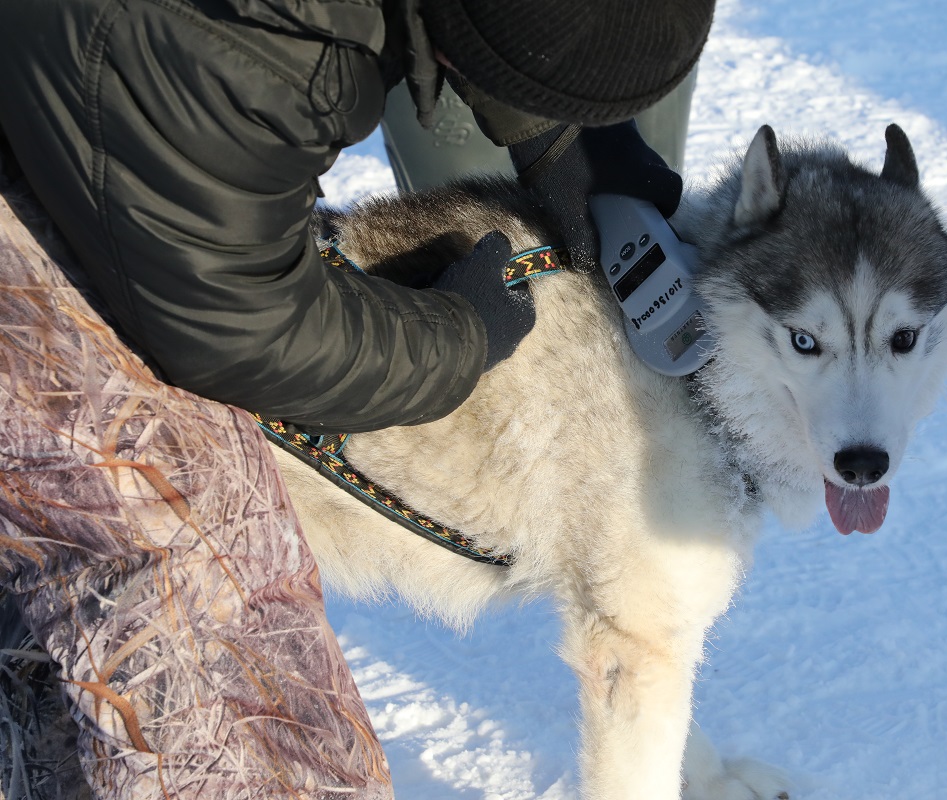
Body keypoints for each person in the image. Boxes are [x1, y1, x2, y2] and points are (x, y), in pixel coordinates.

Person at [0, 0, 715, 797]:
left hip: (90, 115)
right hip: (51, 196)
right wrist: (457, 336)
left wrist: (560, 136)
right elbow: (237, 324)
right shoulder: (255, 62)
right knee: (232, 694)